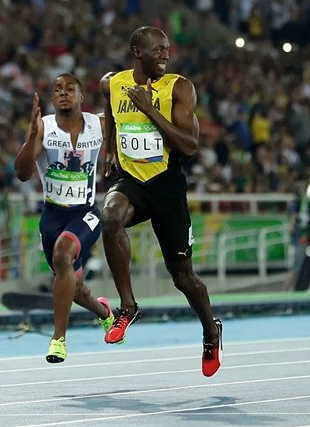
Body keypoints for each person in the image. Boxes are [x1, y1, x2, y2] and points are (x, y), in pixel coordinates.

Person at [99, 26, 222, 377]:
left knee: (183, 277)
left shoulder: (179, 87)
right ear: (138, 52)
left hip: (167, 186)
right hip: (131, 181)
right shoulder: (112, 83)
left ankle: (211, 331)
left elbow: (189, 146)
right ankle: (127, 306)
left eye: (168, 50)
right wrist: (109, 149)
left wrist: (150, 110)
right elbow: (110, 115)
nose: (166, 56)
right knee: (109, 219)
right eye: (158, 51)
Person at [14, 74, 115, 363]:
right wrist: (32, 136)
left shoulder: (99, 124)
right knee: (74, 286)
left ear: (81, 96)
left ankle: (58, 340)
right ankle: (104, 312)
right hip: (53, 216)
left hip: (86, 212)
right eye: (57, 89)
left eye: (70, 89)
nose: (63, 93)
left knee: (63, 253)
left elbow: (124, 125)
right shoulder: (43, 127)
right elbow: (22, 173)